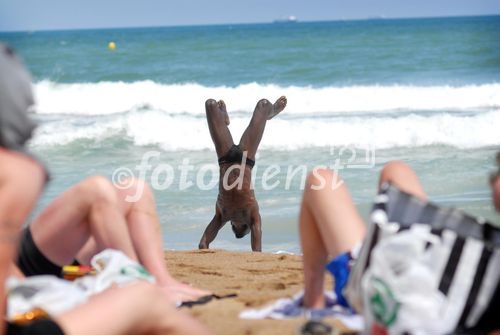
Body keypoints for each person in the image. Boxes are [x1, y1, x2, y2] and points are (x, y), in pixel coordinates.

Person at [0, 43, 212, 335]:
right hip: (20, 276)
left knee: (134, 190)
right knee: (96, 191)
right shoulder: (18, 174)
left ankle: (160, 280)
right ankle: (141, 284)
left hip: (22, 260)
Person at [298, 161, 499, 332]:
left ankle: (314, 303)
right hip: (421, 257)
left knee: (320, 179)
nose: (492, 180)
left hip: (388, 288)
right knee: (396, 170)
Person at [198, 97, 287, 251]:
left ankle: (223, 117)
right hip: (246, 160)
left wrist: (205, 246)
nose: (236, 223)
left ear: (231, 224)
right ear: (245, 226)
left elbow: (203, 244)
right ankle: (270, 113)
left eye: (235, 226)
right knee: (263, 104)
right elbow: (257, 247)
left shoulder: (222, 214)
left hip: (225, 158)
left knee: (210, 104)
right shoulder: (252, 214)